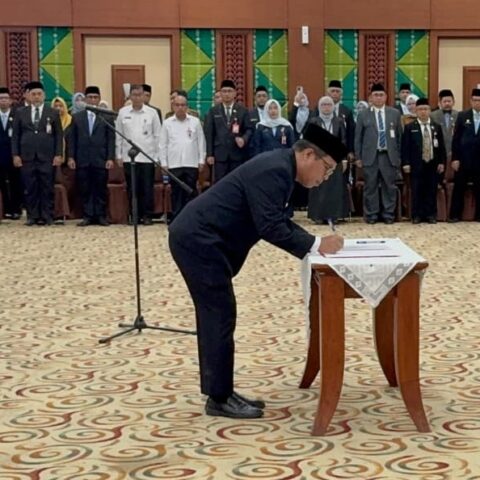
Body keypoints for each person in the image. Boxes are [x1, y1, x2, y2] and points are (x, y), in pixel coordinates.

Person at [169, 122, 347, 419]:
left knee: (220, 314)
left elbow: (276, 219)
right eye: (326, 169)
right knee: (218, 315)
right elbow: (270, 226)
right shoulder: (275, 170)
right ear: (308, 155)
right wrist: (316, 244)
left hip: (207, 241)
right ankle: (219, 398)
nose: (325, 177)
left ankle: (222, 390)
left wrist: (314, 244)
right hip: (199, 241)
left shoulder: (282, 167)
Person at [12, 81, 63, 226]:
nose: (36, 97)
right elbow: (15, 135)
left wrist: (58, 154)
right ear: (28, 96)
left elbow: (59, 135)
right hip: (27, 157)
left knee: (47, 187)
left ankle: (47, 216)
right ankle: (32, 216)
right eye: (33, 94)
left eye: (39, 94)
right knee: (30, 187)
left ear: (44, 95)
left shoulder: (52, 112)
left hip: (47, 157)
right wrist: (15, 155)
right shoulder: (20, 112)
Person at [354, 83, 402, 224]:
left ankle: (388, 214)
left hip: (389, 156)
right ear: (371, 97)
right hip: (370, 156)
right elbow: (358, 138)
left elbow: (399, 137)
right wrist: (358, 157)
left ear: (386, 97)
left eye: (381, 95)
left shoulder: (394, 113)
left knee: (389, 186)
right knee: (370, 186)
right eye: (376, 95)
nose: (379, 98)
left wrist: (399, 157)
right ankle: (371, 215)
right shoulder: (363, 114)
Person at [68, 86, 115, 226]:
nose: (93, 100)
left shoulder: (106, 117)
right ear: (85, 99)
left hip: (100, 159)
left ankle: (100, 216)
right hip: (82, 159)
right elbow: (72, 139)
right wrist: (71, 157)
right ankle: (88, 215)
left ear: (99, 99)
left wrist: (110, 157)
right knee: (85, 188)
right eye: (90, 97)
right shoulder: (77, 117)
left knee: (100, 188)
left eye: (95, 97)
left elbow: (111, 139)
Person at [116, 84, 162, 225]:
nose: (137, 98)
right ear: (130, 96)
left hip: (148, 156)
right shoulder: (123, 112)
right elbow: (119, 135)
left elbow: (158, 136)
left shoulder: (152, 113)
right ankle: (134, 215)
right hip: (129, 157)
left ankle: (147, 215)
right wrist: (119, 155)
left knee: (147, 188)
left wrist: (157, 157)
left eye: (140, 95)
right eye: (134, 95)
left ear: (144, 96)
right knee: (132, 188)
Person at [159, 92, 206, 221]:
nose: (180, 107)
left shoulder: (195, 122)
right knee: (176, 193)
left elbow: (201, 142)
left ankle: (190, 219)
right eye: (177, 105)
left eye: (183, 105)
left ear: (187, 106)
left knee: (190, 191)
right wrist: (164, 163)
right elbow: (162, 144)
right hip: (174, 164)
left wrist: (201, 160)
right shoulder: (167, 123)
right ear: (173, 106)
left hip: (191, 163)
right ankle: (176, 218)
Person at [402, 98, 446, 224]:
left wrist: (441, 162)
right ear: (416, 111)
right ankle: (417, 215)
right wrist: (406, 163)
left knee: (431, 189)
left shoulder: (436, 127)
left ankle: (431, 215)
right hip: (416, 164)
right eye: (420, 109)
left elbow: (441, 147)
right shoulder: (410, 127)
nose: (423, 112)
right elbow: (405, 147)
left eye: (425, 109)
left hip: (432, 163)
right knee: (417, 190)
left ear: (429, 111)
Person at [307, 96, 349, 224]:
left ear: (333, 107)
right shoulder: (313, 121)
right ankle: (318, 215)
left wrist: (344, 159)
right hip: (318, 159)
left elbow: (343, 140)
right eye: (324, 105)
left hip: (335, 159)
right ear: (319, 107)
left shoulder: (339, 121)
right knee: (318, 186)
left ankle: (333, 215)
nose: (326, 107)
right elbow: (309, 141)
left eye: (329, 105)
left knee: (334, 188)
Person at [204, 79, 252, 183]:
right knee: (220, 183)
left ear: (235, 93)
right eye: (224, 91)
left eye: (229, 91)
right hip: (220, 155)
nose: (227, 94)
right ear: (220, 93)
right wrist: (209, 154)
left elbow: (249, 129)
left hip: (237, 154)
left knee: (237, 182)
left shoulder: (242, 110)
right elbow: (209, 133)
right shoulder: (213, 111)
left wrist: (244, 139)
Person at [448, 88, 480, 222]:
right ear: (470, 101)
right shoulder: (462, 116)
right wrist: (455, 158)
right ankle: (455, 215)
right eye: (475, 100)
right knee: (459, 187)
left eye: (479, 100)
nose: (477, 103)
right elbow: (456, 139)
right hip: (463, 159)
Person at [0, 87, 22, 220]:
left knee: (15, 182)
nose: (3, 101)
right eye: (1, 98)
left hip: (13, 155)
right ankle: (5, 210)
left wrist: (18, 154)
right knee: (2, 183)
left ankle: (16, 209)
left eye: (5, 98)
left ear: (10, 101)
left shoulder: (17, 116)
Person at [430, 89, 458, 158]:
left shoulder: (459, 115)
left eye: (449, 101)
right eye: (444, 101)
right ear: (440, 103)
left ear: (453, 102)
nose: (447, 104)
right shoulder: (432, 115)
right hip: (437, 152)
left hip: (454, 151)